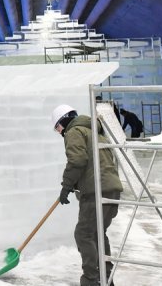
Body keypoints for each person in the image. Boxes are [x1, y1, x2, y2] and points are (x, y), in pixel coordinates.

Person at [52, 104, 123, 286]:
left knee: (83, 234)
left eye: (57, 127)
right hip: (111, 187)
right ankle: (106, 279)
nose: (59, 132)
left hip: (96, 191)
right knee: (98, 233)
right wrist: (76, 183)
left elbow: (78, 160)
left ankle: (90, 280)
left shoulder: (74, 132)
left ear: (64, 120)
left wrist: (66, 186)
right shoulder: (94, 131)